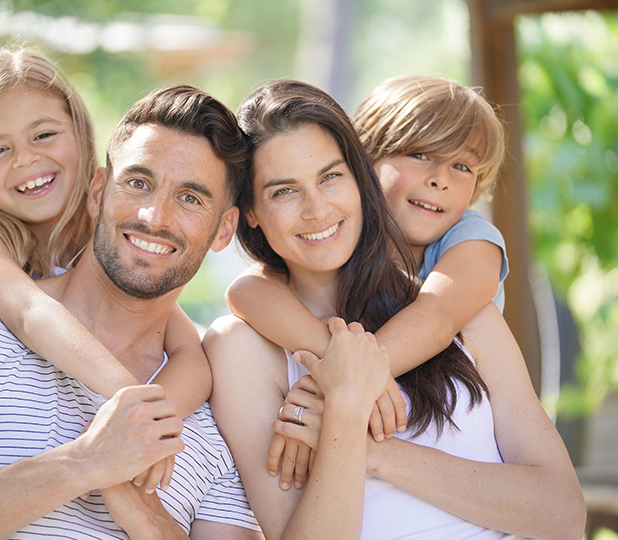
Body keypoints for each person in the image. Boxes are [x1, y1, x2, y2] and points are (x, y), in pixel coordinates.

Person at [0, 84, 263, 540]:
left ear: (225, 229)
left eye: (190, 198)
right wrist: (82, 464)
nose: (154, 215)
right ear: (98, 190)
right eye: (139, 182)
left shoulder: (215, 417)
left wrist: (149, 520)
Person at [203, 79, 585, 540]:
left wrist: (365, 441)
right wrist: (348, 392)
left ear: (358, 178)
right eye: (284, 191)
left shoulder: (462, 308)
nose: (316, 208)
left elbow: (563, 514)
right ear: (250, 211)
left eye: (330, 177)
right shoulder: (240, 347)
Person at [0, 45, 215, 490]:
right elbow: (31, 314)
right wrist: (130, 403)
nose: (26, 160)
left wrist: (152, 428)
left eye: (44, 135)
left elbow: (190, 354)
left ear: (80, 136)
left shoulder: (113, 232)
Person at [225, 75, 510, 469]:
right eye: (421, 154)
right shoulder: (339, 241)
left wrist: (342, 382)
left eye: (462, 166)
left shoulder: (473, 241)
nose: (440, 179)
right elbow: (247, 291)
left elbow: (437, 315)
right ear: (367, 160)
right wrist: (339, 368)